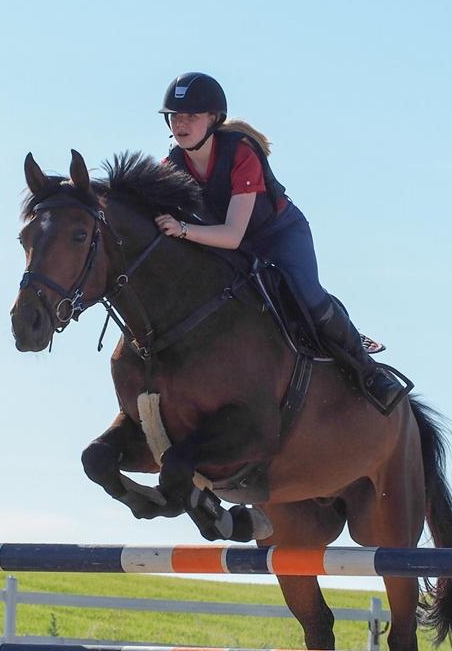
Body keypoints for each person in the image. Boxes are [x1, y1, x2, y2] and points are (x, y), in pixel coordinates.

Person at [153, 72, 407, 415]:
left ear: (213, 119)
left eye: (191, 116)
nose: (181, 123)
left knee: (306, 294)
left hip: (278, 235)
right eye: (175, 116)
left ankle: (368, 370)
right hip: (232, 246)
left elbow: (232, 234)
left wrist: (182, 229)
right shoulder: (171, 166)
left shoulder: (241, 153)